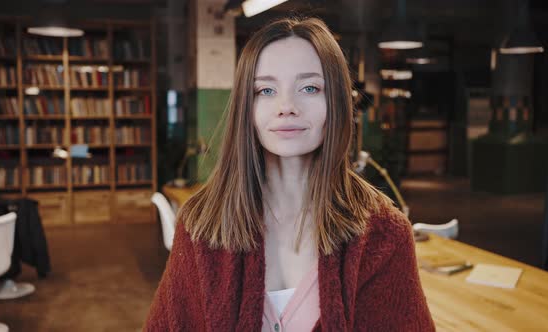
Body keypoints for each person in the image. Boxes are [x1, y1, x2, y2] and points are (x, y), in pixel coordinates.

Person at [144, 16, 435, 331]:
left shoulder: (385, 233)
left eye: (309, 87)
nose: (286, 106)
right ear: (247, 107)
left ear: (335, 102)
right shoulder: (201, 223)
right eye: (266, 90)